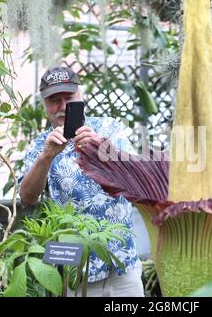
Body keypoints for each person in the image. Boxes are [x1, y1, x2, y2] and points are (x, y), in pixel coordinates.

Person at [19, 66, 144, 297]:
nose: (63, 106)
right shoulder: (40, 145)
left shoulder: (110, 128)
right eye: (54, 100)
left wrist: (101, 149)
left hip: (121, 258)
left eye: (69, 98)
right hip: (72, 262)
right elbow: (27, 197)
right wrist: (46, 156)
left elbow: (137, 177)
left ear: (81, 96)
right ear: (45, 105)